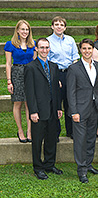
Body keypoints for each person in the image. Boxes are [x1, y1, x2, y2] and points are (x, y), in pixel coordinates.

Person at [24, 38, 63, 180]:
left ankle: (49, 164)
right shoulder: (30, 67)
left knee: (52, 139)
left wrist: (59, 107)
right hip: (38, 111)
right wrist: (33, 111)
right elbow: (29, 92)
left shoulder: (54, 66)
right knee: (37, 141)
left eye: (47, 47)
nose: (44, 50)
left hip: (53, 110)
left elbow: (56, 90)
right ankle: (38, 168)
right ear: (36, 49)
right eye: (41, 47)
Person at [67, 38, 98, 183]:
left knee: (90, 139)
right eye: (84, 49)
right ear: (80, 50)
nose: (87, 51)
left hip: (94, 109)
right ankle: (81, 170)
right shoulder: (73, 68)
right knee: (80, 141)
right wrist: (74, 112)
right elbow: (70, 92)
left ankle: (88, 165)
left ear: (93, 50)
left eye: (89, 48)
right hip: (80, 110)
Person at [47, 16, 80, 141]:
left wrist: (73, 75)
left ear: (65, 27)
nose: (59, 26)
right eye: (56, 24)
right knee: (56, 103)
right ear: (52, 26)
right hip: (56, 73)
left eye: (61, 24)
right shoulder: (48, 41)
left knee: (70, 102)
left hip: (70, 72)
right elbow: (48, 60)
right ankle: (55, 132)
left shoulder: (70, 40)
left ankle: (71, 131)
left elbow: (75, 57)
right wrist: (54, 77)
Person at [4, 20, 37, 143]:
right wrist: (9, 81)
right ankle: (20, 130)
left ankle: (29, 130)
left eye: (27, 29)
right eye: (22, 29)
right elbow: (8, 64)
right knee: (18, 103)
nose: (25, 32)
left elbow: (35, 62)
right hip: (16, 73)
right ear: (17, 30)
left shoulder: (32, 44)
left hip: (30, 73)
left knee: (29, 102)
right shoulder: (10, 44)